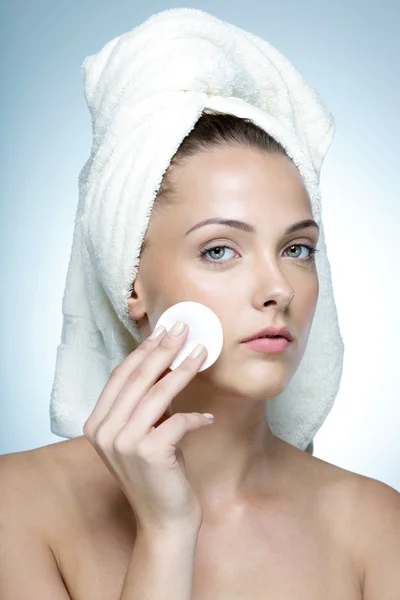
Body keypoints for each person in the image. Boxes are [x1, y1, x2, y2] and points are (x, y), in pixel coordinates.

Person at [1, 12, 399, 600]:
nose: (279, 288)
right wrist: (166, 533)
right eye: (219, 250)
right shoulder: (17, 506)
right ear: (129, 282)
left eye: (296, 248)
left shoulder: (374, 523)